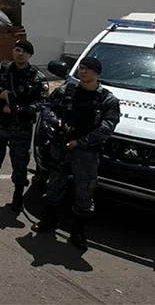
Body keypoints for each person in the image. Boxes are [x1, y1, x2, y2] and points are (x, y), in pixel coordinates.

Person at [32, 56, 120, 250]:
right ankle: (49, 220)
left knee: (84, 192)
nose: (83, 71)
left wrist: (80, 142)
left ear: (97, 73)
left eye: (87, 68)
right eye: (81, 68)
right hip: (62, 148)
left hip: (85, 154)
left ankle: (78, 232)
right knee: (54, 185)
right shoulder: (67, 91)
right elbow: (47, 107)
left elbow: (107, 128)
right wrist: (55, 121)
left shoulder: (107, 99)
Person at [0, 39, 48, 213]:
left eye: (24, 52)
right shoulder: (1, 69)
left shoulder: (37, 77)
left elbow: (43, 102)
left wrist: (21, 109)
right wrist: (1, 92)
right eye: (17, 50)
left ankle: (18, 196)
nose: (20, 54)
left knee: (20, 162)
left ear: (30, 56)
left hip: (21, 126)